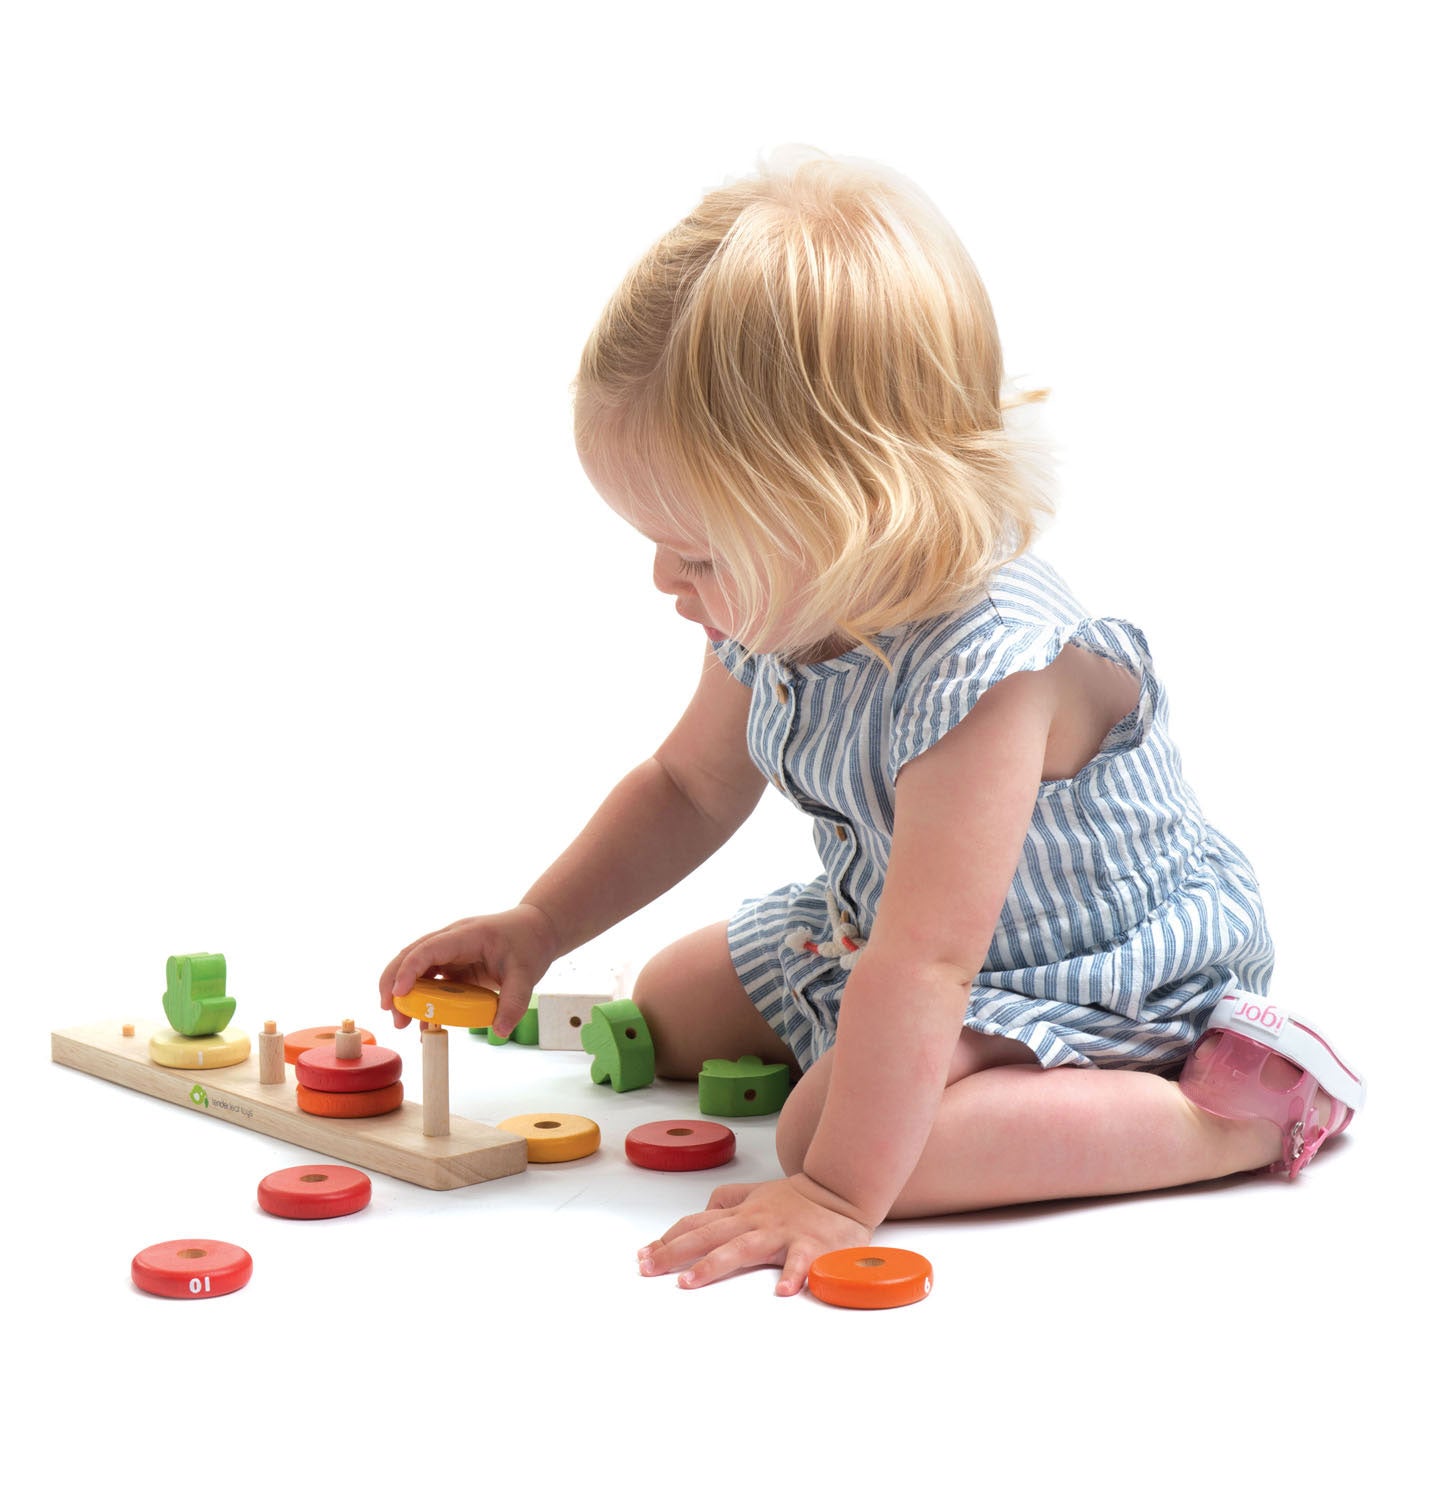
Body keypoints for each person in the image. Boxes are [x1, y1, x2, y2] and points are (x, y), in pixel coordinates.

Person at [379, 147, 1363, 1295]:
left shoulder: (991, 675)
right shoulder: (785, 604)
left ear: (852, 516)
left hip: (1085, 966)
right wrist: (538, 924)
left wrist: (838, 1192)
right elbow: (690, 788)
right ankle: (891, 1083)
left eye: (696, 551)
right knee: (671, 997)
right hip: (891, 935)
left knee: (820, 1133)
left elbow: (933, 961)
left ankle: (1241, 1114)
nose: (662, 578)